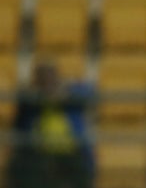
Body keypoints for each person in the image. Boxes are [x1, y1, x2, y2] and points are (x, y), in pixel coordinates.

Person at [4, 60, 95, 188]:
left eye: (50, 77)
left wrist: (64, 93)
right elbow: (19, 120)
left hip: (70, 151)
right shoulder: (30, 101)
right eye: (43, 78)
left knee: (80, 167)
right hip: (38, 153)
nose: (47, 82)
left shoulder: (72, 95)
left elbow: (89, 92)